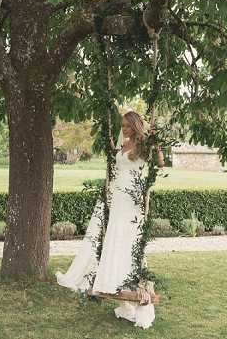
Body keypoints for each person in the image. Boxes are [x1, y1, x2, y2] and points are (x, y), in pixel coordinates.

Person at [55, 111, 164, 329]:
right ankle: (115, 283)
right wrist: (114, 147)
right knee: (115, 237)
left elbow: (160, 165)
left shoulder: (144, 146)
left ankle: (129, 287)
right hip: (117, 195)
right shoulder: (122, 145)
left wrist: (157, 143)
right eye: (122, 125)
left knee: (129, 239)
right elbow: (117, 166)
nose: (124, 129)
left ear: (135, 126)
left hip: (132, 199)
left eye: (127, 126)